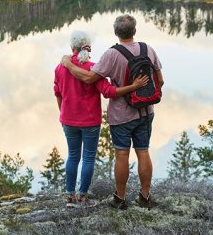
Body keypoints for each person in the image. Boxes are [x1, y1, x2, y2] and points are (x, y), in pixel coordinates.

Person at [60, 14, 163, 210]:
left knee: (122, 155)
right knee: (143, 152)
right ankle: (145, 196)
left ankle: (121, 198)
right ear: (135, 30)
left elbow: (90, 78)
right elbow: (161, 80)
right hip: (146, 111)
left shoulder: (112, 54)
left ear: (116, 32)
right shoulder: (148, 49)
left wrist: (68, 64)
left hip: (121, 115)